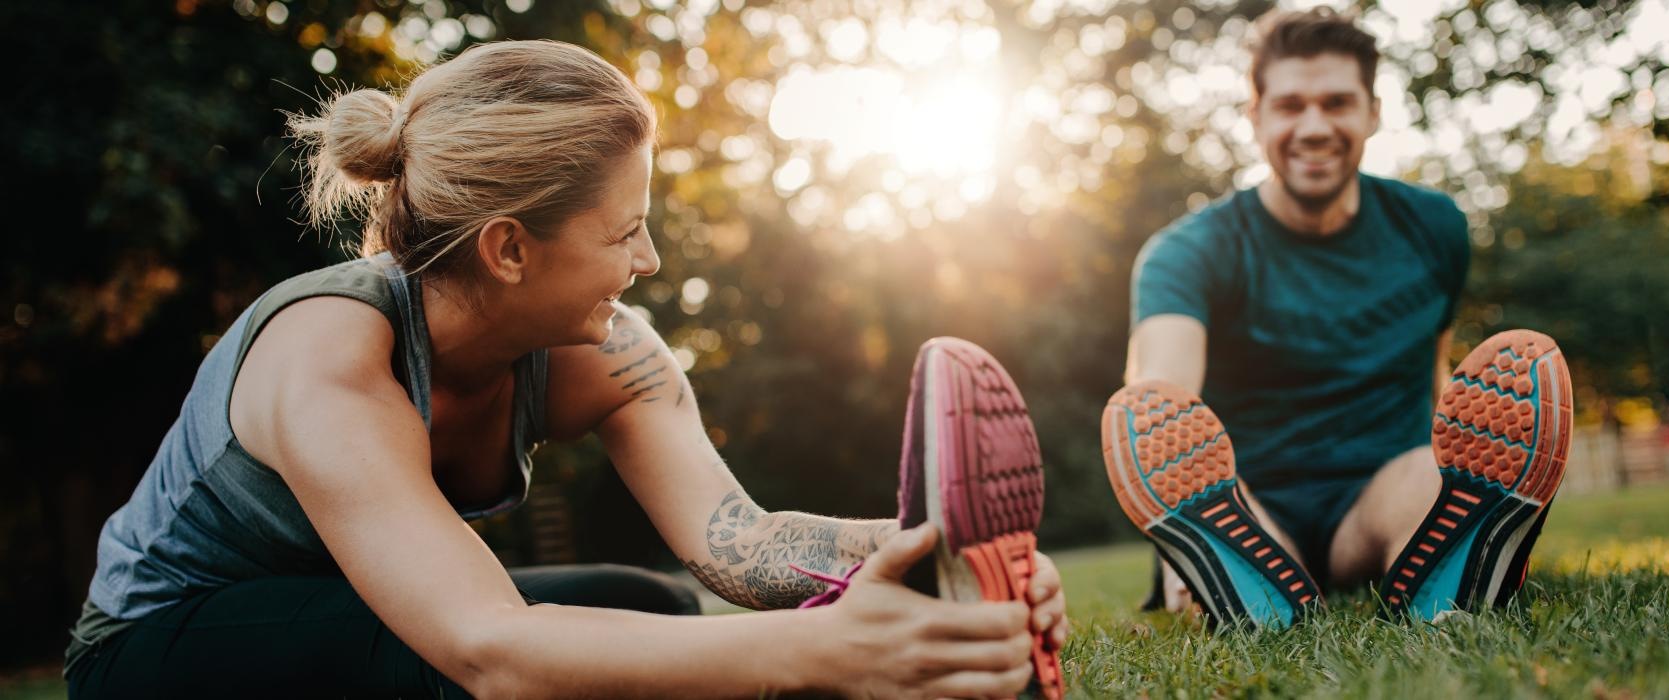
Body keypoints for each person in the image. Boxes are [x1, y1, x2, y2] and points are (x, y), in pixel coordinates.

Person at [65, 39, 1067, 697]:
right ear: (508, 248)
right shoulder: (332, 357)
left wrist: (940, 559)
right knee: (447, 667)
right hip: (158, 649)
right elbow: (487, 647)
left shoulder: (607, 350)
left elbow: (741, 545)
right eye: (625, 233)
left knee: (653, 612)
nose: (649, 263)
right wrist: (821, 652)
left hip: (366, 627)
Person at [1103, 8, 1571, 626]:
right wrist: (1166, 525)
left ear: (1373, 112)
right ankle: (1215, 565)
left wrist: (1459, 458)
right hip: (1251, 499)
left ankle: (1457, 562)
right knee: (1227, 509)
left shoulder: (1434, 228)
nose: (1314, 126)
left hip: (1380, 494)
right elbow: (1160, 403)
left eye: (1337, 103)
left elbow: (1433, 369)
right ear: (1257, 117)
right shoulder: (1189, 251)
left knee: (1429, 482)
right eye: (1291, 105)